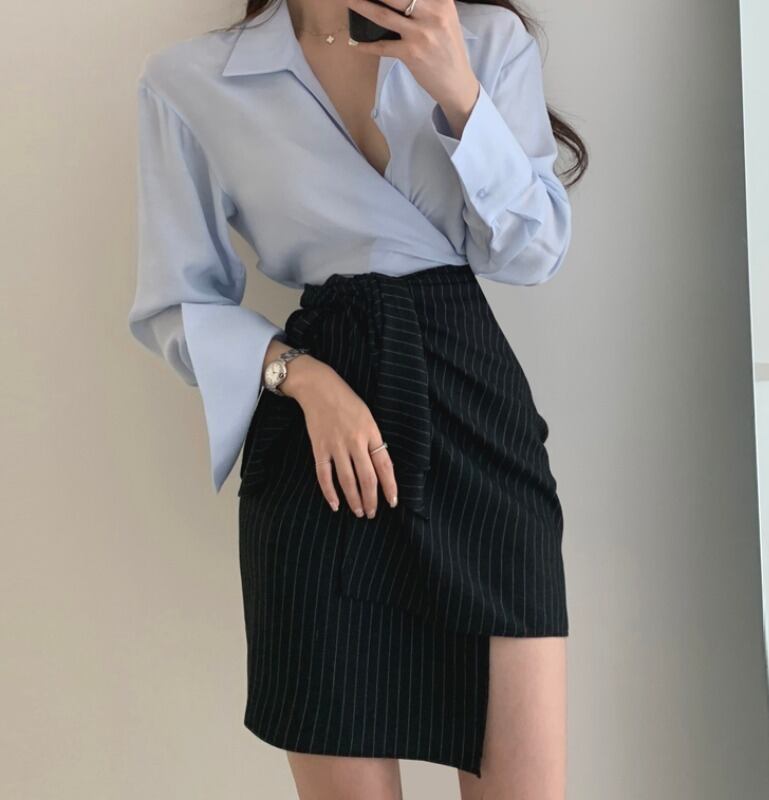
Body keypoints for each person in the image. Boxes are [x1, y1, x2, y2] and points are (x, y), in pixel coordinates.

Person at [128, 0, 588, 797]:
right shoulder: (192, 81)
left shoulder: (482, 40)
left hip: (476, 414)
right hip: (322, 451)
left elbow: (533, 251)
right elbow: (175, 300)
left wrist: (458, 91)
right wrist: (302, 378)